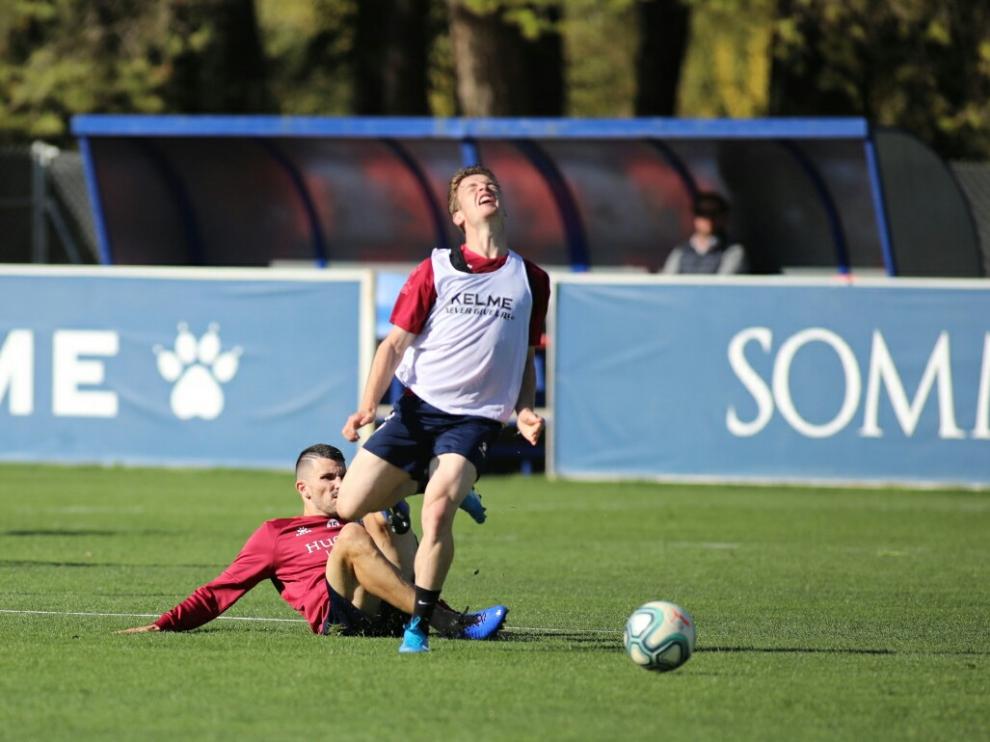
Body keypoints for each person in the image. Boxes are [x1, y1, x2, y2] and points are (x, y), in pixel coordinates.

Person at [338, 165, 550, 653]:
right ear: (458, 215)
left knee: (436, 514)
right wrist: (368, 406)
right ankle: (448, 486)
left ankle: (418, 627)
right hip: (416, 411)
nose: (484, 189)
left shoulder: (532, 279)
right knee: (349, 506)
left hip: (474, 421)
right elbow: (392, 346)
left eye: (490, 185)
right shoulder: (435, 269)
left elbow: (524, 359)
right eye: (472, 189)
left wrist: (524, 411)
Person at [119, 443, 508, 640]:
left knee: (379, 513)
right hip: (339, 615)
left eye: (342, 475)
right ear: (303, 488)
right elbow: (222, 589)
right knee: (357, 530)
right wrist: (164, 624)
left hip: (386, 609)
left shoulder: (358, 514)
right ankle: (453, 624)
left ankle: (434, 609)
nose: (340, 484)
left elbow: (399, 570)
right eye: (329, 479)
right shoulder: (276, 533)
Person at [663, 191, 749, 275]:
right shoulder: (681, 251)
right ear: (696, 218)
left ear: (724, 218)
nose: (709, 220)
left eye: (714, 214)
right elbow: (667, 280)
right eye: (703, 214)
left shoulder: (733, 251)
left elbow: (723, 284)